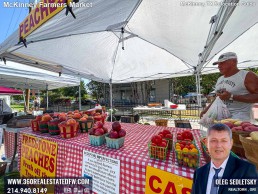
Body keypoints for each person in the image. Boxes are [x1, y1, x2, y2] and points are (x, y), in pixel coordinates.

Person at [191, 123, 257, 194]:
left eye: (224, 141)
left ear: (231, 143)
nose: (218, 145)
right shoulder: (199, 173)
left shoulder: (246, 170)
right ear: (207, 143)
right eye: (214, 140)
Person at [200, 52, 258, 121]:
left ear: (234, 62)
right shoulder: (220, 79)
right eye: (218, 64)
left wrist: (231, 96)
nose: (219, 66)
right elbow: (218, 97)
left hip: (240, 122)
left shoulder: (247, 76)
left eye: (222, 63)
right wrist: (206, 110)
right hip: (222, 121)